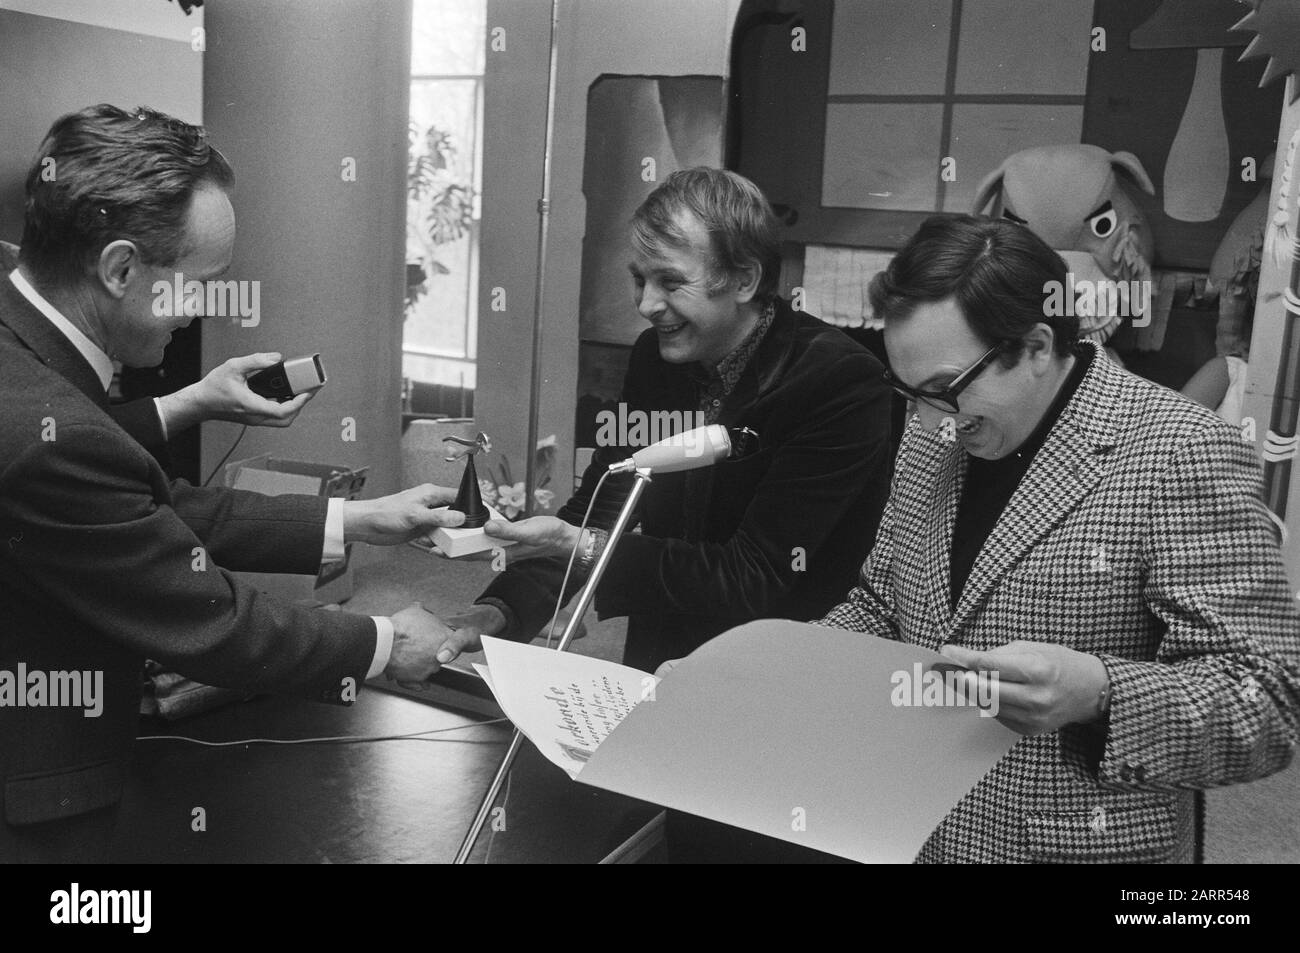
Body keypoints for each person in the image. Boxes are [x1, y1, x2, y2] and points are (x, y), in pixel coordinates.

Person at [0, 104, 459, 862]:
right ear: (120, 269)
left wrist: (352, 519)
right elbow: (214, 623)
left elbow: (142, 509)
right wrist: (386, 641)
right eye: (198, 285)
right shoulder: (53, 438)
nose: (201, 311)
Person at [816, 214, 1300, 863]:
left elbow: (1266, 700)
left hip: (1070, 846)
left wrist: (1099, 692)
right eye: (909, 391)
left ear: (1038, 346)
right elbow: (884, 602)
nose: (929, 420)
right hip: (918, 829)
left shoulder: (1183, 452)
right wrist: (781, 665)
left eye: (944, 390)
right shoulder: (935, 427)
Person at [432, 168, 893, 677]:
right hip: (662, 643)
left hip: (780, 666)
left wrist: (581, 544)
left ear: (744, 280)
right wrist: (503, 608)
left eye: (671, 282)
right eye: (639, 279)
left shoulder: (838, 381)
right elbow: (602, 507)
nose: (646, 305)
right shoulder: (655, 358)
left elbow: (755, 574)